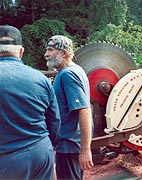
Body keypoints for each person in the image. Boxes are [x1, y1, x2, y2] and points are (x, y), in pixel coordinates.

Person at [0, 25, 61, 179]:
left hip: (6, 159)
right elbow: (54, 123)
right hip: (40, 152)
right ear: (21, 52)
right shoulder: (41, 78)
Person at [44, 35, 94, 179]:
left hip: (69, 145)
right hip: (69, 144)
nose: (46, 54)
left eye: (50, 50)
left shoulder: (68, 75)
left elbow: (84, 110)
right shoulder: (75, 70)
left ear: (64, 53)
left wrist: (85, 150)